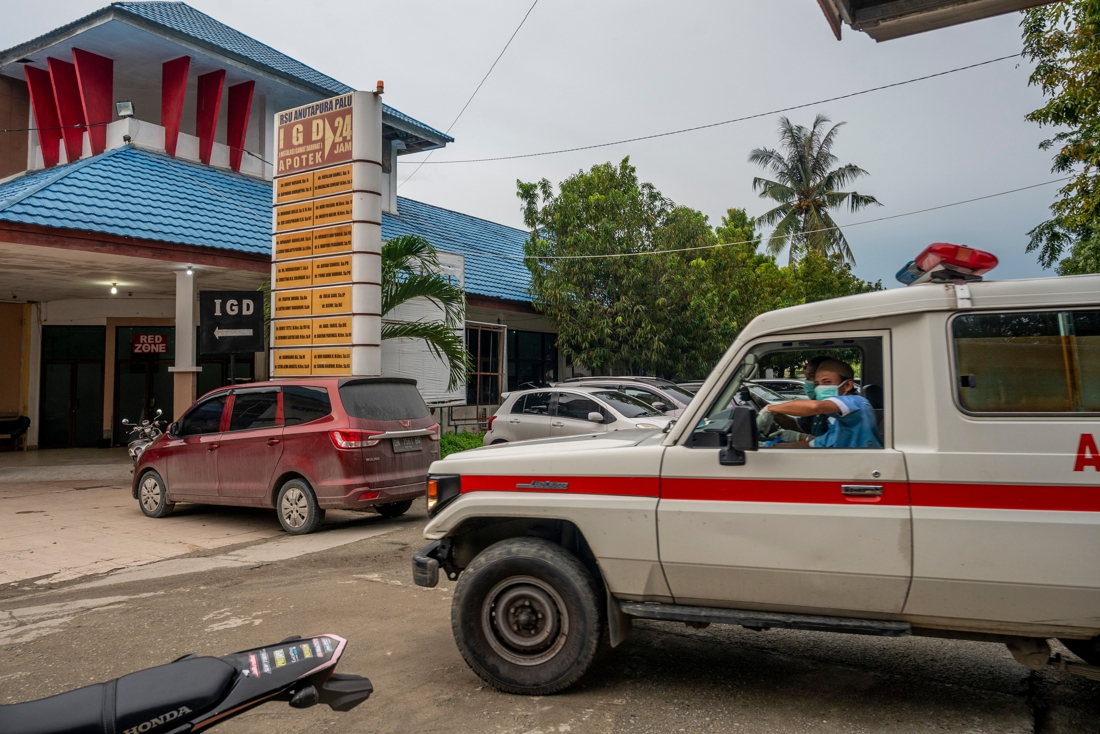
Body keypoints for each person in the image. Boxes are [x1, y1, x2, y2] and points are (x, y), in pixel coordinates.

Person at [760, 358, 881, 448]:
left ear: (847, 385)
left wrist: (771, 408)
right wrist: (769, 446)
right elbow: (814, 445)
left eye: (827, 382)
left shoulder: (856, 402)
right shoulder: (835, 420)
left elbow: (816, 406)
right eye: (817, 384)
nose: (820, 388)